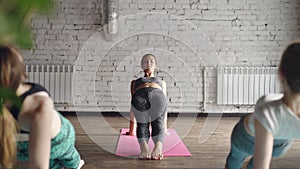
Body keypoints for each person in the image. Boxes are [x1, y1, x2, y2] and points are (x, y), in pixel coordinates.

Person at [0, 44, 84, 169]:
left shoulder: (38, 106)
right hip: (22, 146)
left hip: (59, 140)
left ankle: (76, 163)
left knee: (70, 159)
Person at [225, 41, 300, 169]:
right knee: (261, 156)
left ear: (281, 73)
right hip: (279, 147)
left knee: (235, 158)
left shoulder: (267, 108)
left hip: (245, 139)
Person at [127, 54, 168, 160]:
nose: (148, 63)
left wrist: (165, 128)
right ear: (142, 65)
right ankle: (144, 148)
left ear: (155, 65)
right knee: (142, 123)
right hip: (140, 96)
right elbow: (133, 105)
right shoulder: (135, 82)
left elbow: (164, 108)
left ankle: (158, 146)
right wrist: (131, 128)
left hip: (158, 95)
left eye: (151, 61)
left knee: (157, 122)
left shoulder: (162, 82)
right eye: (145, 61)